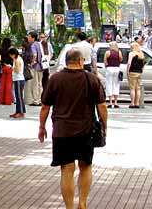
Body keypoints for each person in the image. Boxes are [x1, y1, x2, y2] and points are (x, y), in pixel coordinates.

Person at [39, 49, 107, 209]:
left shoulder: (55, 79)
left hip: (62, 131)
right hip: (86, 130)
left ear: (67, 60)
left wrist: (42, 127)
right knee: (85, 166)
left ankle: (69, 207)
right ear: (81, 61)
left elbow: (45, 107)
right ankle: (82, 202)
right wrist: (104, 126)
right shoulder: (91, 79)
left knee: (67, 169)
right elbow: (102, 106)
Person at [126, 42, 145, 109]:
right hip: (139, 72)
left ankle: (132, 103)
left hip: (132, 72)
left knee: (132, 88)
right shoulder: (141, 54)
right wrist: (141, 70)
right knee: (138, 88)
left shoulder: (131, 54)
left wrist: (127, 71)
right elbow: (143, 64)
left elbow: (129, 63)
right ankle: (137, 103)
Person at [27, 32, 44, 106]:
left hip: (35, 66)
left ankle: (36, 100)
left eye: (29, 36)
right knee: (40, 84)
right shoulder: (40, 44)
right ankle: (40, 99)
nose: (28, 38)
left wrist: (32, 63)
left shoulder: (33, 45)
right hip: (42, 66)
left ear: (33, 38)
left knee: (35, 84)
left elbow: (34, 55)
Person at [9, 47, 26, 118]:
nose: (10, 56)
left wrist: (11, 68)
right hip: (16, 79)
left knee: (19, 96)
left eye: (11, 55)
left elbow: (17, 70)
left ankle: (21, 112)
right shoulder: (16, 60)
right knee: (17, 96)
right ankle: (17, 111)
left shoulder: (18, 60)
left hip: (19, 79)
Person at [104, 42, 121, 108]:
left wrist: (107, 67)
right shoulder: (119, 52)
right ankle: (116, 102)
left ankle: (110, 102)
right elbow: (121, 59)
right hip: (116, 68)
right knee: (116, 84)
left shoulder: (107, 52)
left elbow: (105, 62)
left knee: (109, 84)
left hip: (109, 68)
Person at [0, 37, 14, 105]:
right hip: (10, 67)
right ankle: (8, 100)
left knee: (2, 84)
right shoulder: (11, 49)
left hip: (3, 67)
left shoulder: (0, 49)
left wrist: (3, 62)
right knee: (9, 84)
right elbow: (14, 58)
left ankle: (1, 100)